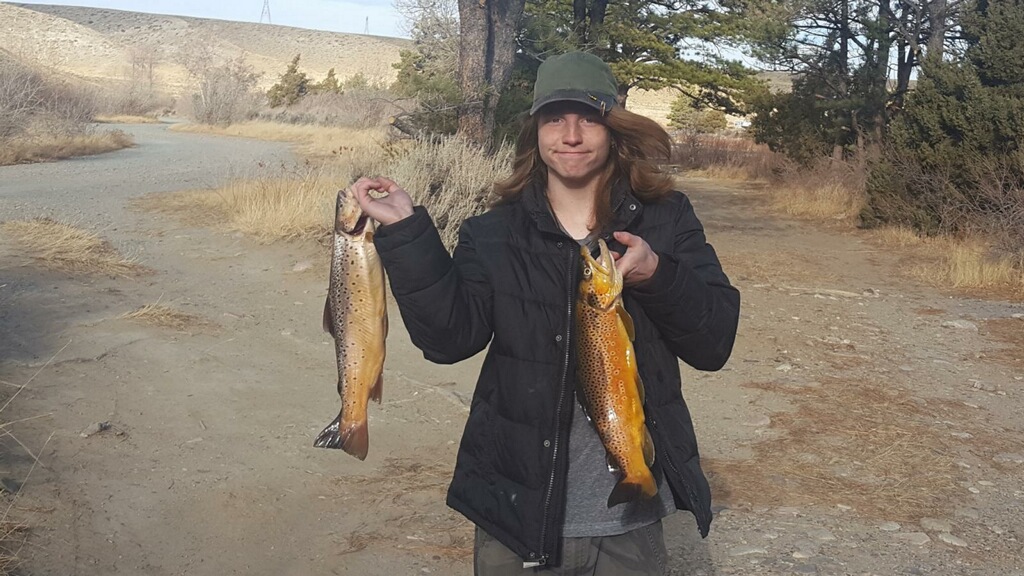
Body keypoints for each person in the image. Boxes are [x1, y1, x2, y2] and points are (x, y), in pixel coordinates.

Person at [349, 51, 740, 575]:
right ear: (535, 131)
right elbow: (447, 341)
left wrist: (658, 276)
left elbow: (714, 344)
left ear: (615, 128)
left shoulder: (666, 221)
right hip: (514, 512)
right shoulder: (494, 232)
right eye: (555, 118)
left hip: (627, 521)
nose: (571, 135)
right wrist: (407, 231)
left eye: (589, 118)